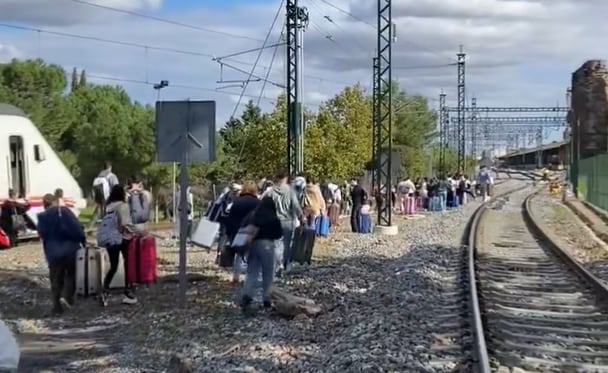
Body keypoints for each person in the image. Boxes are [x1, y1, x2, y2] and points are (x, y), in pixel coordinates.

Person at [37, 194, 85, 315]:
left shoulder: (42, 217)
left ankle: (56, 306)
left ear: (44, 204)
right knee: (71, 274)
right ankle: (67, 297)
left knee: (55, 279)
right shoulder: (64, 211)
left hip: (53, 252)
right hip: (70, 250)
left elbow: (43, 236)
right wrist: (82, 241)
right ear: (55, 202)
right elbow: (77, 229)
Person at [240, 196, 283, 311]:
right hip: (267, 245)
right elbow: (278, 234)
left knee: (252, 272)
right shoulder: (273, 217)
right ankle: (267, 298)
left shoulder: (252, 215)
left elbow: (243, 227)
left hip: (252, 245)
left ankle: (247, 296)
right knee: (268, 273)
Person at [101, 184, 140, 305]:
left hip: (110, 239)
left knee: (113, 266)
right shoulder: (123, 206)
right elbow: (125, 224)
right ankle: (128, 292)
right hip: (123, 238)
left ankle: (105, 290)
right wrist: (137, 231)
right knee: (128, 264)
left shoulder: (108, 207)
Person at [263, 171, 303, 273]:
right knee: (287, 244)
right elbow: (295, 205)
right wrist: (301, 216)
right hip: (288, 221)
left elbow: (263, 204)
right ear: (286, 178)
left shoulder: (270, 191)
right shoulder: (290, 191)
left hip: (273, 221)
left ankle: (278, 264)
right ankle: (286, 264)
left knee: (276, 244)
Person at [223, 181, 260, 283]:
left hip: (238, 232)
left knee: (239, 255)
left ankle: (236, 276)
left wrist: (229, 233)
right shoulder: (257, 203)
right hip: (252, 232)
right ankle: (251, 277)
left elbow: (230, 219)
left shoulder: (236, 202)